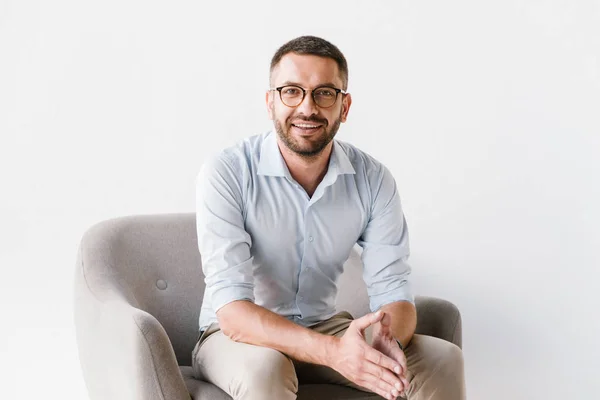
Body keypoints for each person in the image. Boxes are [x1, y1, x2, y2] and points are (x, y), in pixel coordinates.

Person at [192, 35, 465, 400]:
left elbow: (394, 290)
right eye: (292, 91)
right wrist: (335, 353)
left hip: (326, 325)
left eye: (324, 93)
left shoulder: (373, 179)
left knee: (440, 359)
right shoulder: (227, 172)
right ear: (270, 101)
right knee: (266, 370)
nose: (307, 108)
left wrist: (386, 339)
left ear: (345, 106)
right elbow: (233, 314)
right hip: (235, 337)